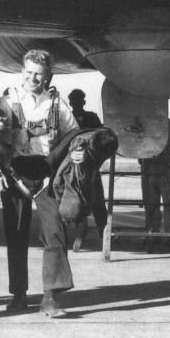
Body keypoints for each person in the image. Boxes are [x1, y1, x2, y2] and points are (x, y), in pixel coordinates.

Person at [0, 50, 78, 318]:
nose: (32, 78)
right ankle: (18, 295)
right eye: (28, 72)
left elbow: (73, 135)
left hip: (46, 173)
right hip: (15, 172)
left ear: (47, 76)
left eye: (38, 74)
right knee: (16, 234)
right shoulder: (6, 101)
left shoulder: (58, 105)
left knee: (55, 233)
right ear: (22, 72)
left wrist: (77, 153)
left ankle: (50, 297)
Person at [67, 88, 107, 249]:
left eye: (79, 100)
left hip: (90, 166)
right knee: (78, 200)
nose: (76, 103)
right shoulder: (67, 117)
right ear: (70, 102)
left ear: (83, 102)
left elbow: (101, 139)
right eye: (73, 101)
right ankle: (80, 232)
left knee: (97, 200)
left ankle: (103, 233)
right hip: (73, 167)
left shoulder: (92, 118)